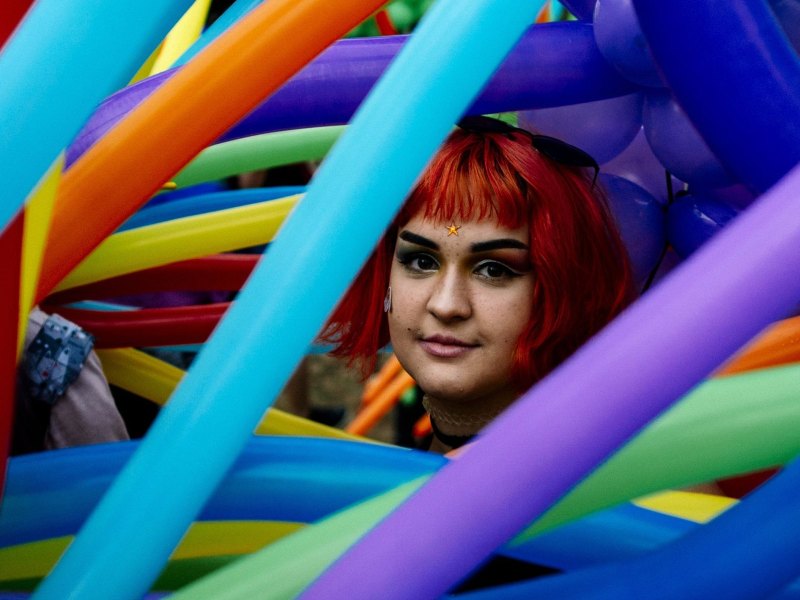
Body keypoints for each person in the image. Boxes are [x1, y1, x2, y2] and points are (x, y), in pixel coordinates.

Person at [320, 115, 635, 453]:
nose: (446, 305)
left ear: (561, 287)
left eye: (494, 270)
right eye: (422, 261)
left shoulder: (599, 477)